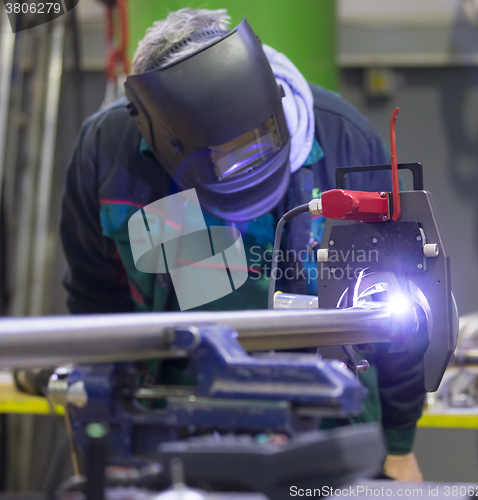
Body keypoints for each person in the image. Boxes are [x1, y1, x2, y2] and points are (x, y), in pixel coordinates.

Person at [60, 8, 425, 481]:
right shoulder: (110, 152)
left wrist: (398, 445)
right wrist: (100, 438)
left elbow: (402, 308)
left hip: (334, 436)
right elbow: (95, 303)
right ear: (158, 130)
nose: (237, 166)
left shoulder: (344, 140)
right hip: (169, 437)